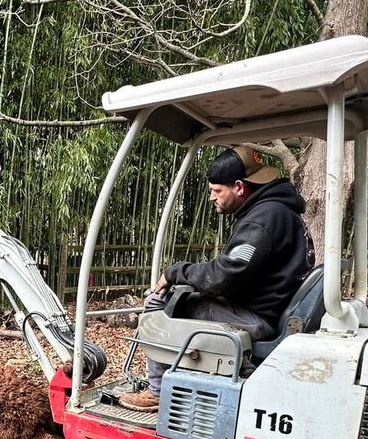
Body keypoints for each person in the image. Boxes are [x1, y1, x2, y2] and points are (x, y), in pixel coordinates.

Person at [119, 146, 314, 412]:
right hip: (270, 307)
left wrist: (176, 272)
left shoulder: (263, 219)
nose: (211, 197)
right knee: (184, 299)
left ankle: (158, 391)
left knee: (160, 305)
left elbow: (227, 274)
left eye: (216, 190)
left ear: (238, 187)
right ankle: (182, 378)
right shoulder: (281, 211)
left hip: (259, 317)